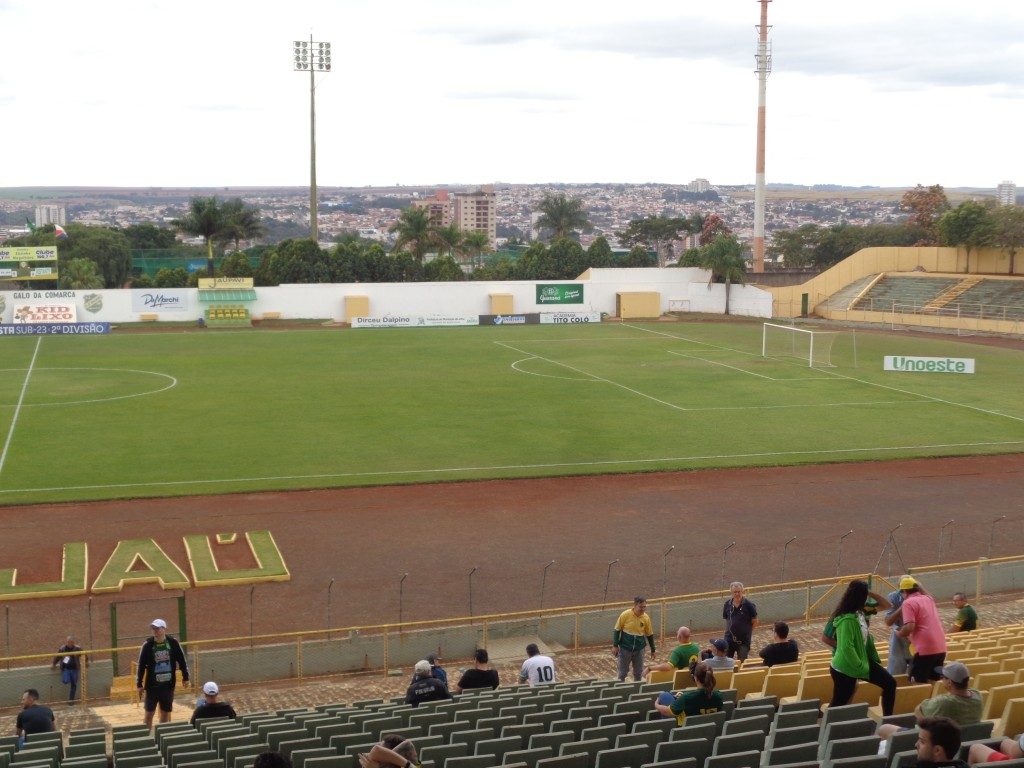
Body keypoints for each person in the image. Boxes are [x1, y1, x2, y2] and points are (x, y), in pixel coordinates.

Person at [829, 579, 897, 716]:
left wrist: (867, 591)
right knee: (838, 703)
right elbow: (846, 647)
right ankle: (825, 730)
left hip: (859, 662)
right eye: (864, 595)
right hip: (845, 668)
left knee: (890, 683)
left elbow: (887, 605)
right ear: (860, 597)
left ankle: (887, 720)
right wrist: (860, 667)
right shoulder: (847, 619)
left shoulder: (862, 611)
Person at [878, 662, 982, 742]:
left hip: (931, 741)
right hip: (958, 741)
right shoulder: (977, 696)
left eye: (943, 677)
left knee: (884, 728)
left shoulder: (943, 702)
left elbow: (918, 710)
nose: (941, 679)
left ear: (949, 682)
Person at [886, 577, 947, 683]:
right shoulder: (928, 599)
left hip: (924, 648)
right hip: (940, 647)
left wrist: (900, 633)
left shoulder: (908, 602)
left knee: (918, 683)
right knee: (933, 681)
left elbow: (909, 627)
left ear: (904, 591)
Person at [136, 618, 190, 727]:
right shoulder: (147, 645)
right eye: (153, 628)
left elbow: (181, 660)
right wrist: (139, 684)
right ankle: (146, 737)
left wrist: (186, 677)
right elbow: (141, 665)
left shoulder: (173, 642)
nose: (155, 630)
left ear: (164, 629)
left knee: (165, 713)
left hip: (168, 686)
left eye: (157, 628)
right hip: (152, 687)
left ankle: (161, 736)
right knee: (149, 713)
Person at [654, 661, 724, 725]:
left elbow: (667, 712)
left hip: (683, 726)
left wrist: (656, 705)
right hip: (707, 727)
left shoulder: (687, 698)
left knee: (664, 695)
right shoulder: (719, 695)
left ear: (696, 678)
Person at [613, 596, 655, 682]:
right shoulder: (625, 615)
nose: (643, 609)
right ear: (635, 605)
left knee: (638, 673)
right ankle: (620, 689)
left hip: (639, 650)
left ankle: (637, 690)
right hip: (625, 649)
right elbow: (617, 630)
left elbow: (649, 634)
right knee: (622, 673)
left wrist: (653, 649)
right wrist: (615, 645)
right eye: (641, 607)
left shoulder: (646, 618)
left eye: (644, 607)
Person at [723, 582, 758, 662]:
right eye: (735, 592)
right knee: (726, 661)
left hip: (743, 641)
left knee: (742, 662)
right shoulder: (727, 605)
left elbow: (755, 621)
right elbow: (727, 619)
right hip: (729, 640)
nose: (737, 594)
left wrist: (747, 632)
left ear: (742, 591)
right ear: (731, 592)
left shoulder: (749, 605)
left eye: (739, 591)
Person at [885, 577, 912, 676]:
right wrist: (904, 606)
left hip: (915, 640)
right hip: (898, 640)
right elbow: (888, 621)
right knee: (894, 675)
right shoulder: (894, 597)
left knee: (915, 677)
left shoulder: (920, 598)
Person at [51, 635, 86, 704]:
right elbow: (57, 657)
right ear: (66, 642)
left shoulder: (78, 648)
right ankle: (68, 678)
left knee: (74, 685)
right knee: (65, 681)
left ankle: (71, 700)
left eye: (71, 642)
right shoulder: (62, 649)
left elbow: (84, 655)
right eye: (68, 642)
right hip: (66, 669)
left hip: (75, 669)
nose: (69, 643)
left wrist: (86, 662)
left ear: (73, 642)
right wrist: (53, 664)